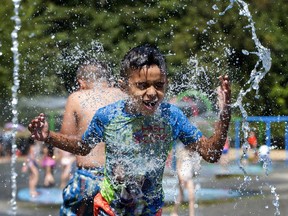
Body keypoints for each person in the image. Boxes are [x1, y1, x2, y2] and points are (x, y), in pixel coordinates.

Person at [28, 44, 231, 216]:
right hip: (109, 209)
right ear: (124, 87)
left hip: (149, 210)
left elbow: (211, 153)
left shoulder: (171, 116)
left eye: (159, 85)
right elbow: (82, 147)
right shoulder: (108, 115)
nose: (152, 93)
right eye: (142, 85)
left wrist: (224, 115)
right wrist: (49, 136)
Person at [57, 59, 126, 215]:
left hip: (87, 178)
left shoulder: (76, 97)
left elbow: (66, 138)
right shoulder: (122, 95)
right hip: (117, 178)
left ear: (81, 83)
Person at [171, 143, 201, 216]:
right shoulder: (183, 153)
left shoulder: (193, 154)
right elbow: (178, 167)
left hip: (189, 178)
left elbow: (195, 167)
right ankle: (174, 212)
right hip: (182, 177)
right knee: (181, 196)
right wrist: (180, 177)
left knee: (192, 197)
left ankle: (192, 214)